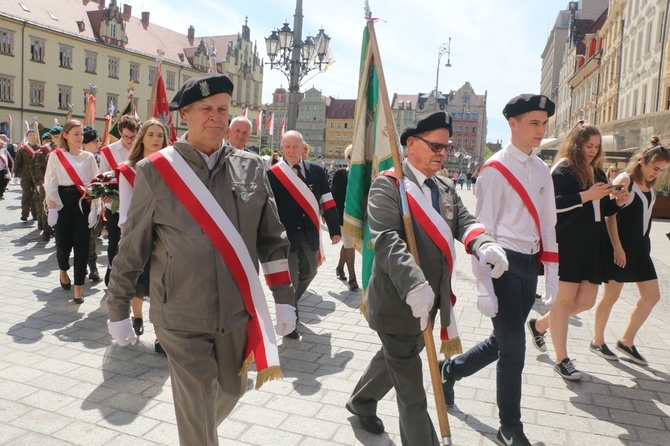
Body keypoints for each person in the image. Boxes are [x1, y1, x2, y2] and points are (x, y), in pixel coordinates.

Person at [106, 73, 296, 446]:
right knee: (195, 404)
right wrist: (117, 308)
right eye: (206, 109)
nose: (215, 117)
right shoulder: (156, 171)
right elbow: (132, 249)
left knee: (230, 389)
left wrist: (285, 300)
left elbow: (273, 242)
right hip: (179, 313)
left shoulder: (253, 167)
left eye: (222, 109)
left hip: (236, 312)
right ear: (185, 115)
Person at [346, 111, 506, 445]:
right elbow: (387, 240)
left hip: (431, 303)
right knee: (412, 392)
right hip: (397, 301)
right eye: (435, 146)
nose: (442, 153)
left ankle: (361, 400)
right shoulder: (387, 187)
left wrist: (485, 244)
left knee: (394, 357)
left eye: (446, 148)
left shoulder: (446, 186)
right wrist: (414, 283)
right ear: (411, 145)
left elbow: (465, 220)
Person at [440, 95, 559, 446]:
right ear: (514, 123)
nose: (541, 129)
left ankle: (452, 370)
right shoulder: (495, 169)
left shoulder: (540, 169)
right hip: (502, 264)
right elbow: (482, 229)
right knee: (514, 348)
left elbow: (549, 223)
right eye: (534, 123)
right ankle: (510, 427)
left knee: (501, 341)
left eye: (543, 123)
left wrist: (551, 270)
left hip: (530, 265)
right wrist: (484, 286)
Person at [526, 122, 627, 380]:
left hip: (592, 246)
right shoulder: (562, 169)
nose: (592, 151)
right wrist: (587, 195)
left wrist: (617, 203)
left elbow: (601, 212)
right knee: (564, 301)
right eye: (588, 146)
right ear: (576, 144)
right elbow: (551, 205)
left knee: (585, 301)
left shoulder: (598, 173)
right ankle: (562, 359)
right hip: (567, 244)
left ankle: (539, 325)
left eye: (596, 147)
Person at [592, 141, 670, 366]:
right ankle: (597, 341)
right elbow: (609, 214)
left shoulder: (649, 185)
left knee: (652, 296)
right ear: (642, 161)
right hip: (620, 249)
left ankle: (626, 341)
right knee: (611, 296)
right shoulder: (625, 180)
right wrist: (617, 247)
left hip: (641, 249)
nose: (657, 173)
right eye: (655, 168)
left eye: (662, 170)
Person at [267, 130, 341, 339]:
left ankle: (288, 305)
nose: (291, 151)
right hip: (285, 237)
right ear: (282, 148)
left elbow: (327, 200)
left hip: (310, 234)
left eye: (295, 147)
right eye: (287, 147)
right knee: (290, 279)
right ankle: (291, 320)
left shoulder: (316, 171)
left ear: (302, 148)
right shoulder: (273, 174)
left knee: (310, 273)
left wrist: (334, 230)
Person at [116, 118, 168, 349]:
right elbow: (125, 208)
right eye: (151, 135)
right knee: (138, 278)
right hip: (137, 231)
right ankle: (137, 316)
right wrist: (127, 237)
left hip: (166, 231)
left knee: (162, 282)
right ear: (142, 138)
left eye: (160, 135)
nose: (156, 139)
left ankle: (161, 334)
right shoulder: (128, 168)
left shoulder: (173, 165)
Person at [43, 120, 99, 303]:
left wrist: (95, 208)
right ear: (65, 135)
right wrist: (52, 208)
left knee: (82, 245)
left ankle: (78, 289)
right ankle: (63, 269)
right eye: (76, 133)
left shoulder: (89, 157)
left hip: (83, 201)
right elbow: (50, 182)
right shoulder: (56, 156)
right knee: (63, 244)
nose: (80, 137)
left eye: (81, 134)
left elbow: (95, 183)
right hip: (62, 200)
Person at [99, 115, 141, 286]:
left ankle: (130, 277)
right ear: (120, 133)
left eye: (133, 137)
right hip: (115, 204)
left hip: (137, 203)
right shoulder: (108, 151)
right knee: (114, 241)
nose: (130, 141)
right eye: (126, 137)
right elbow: (102, 178)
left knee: (132, 243)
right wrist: (105, 197)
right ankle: (111, 271)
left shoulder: (142, 149)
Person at [331, 144, 358, 291]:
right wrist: (328, 216)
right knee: (350, 245)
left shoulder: (362, 177)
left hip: (358, 216)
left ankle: (340, 268)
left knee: (349, 244)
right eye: (352, 156)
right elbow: (334, 196)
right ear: (347, 158)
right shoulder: (341, 174)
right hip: (343, 216)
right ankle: (352, 278)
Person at [82, 126, 103, 281]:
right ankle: (85, 265)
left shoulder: (101, 158)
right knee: (82, 237)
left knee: (92, 236)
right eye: (95, 141)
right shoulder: (78, 159)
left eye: (98, 140)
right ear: (85, 143)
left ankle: (91, 266)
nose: (98, 143)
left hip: (97, 203)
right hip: (81, 202)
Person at [31, 132, 55, 240]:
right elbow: (35, 168)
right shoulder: (40, 152)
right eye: (46, 140)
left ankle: (54, 228)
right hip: (43, 182)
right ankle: (46, 229)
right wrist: (38, 183)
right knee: (45, 206)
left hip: (56, 182)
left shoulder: (60, 150)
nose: (48, 142)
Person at [13, 130, 40, 221]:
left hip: (37, 175)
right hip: (26, 175)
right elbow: (18, 162)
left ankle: (35, 213)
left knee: (36, 195)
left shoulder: (40, 149)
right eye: (31, 135)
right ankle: (24, 214)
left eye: (34, 135)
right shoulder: (22, 149)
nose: (32, 136)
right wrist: (16, 174)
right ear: (27, 137)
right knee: (26, 194)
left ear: (36, 137)